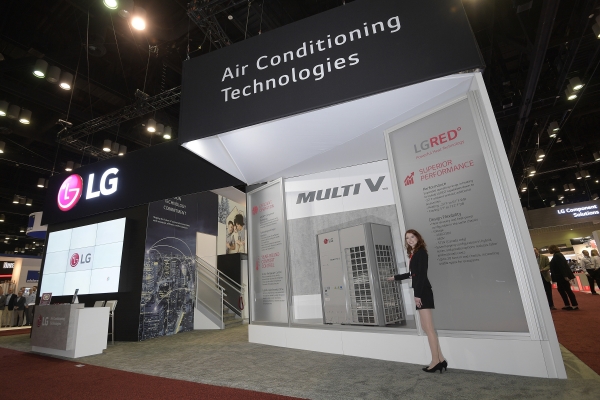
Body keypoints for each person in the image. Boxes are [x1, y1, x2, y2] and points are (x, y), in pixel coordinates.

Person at [387, 229, 447, 373]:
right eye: (407, 238)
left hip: (423, 292)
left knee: (429, 328)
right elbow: (412, 274)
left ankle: (435, 361)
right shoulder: (414, 254)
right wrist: (395, 277)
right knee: (426, 327)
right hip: (421, 291)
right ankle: (441, 359)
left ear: (418, 238)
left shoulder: (421, 253)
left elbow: (421, 275)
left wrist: (418, 295)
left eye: (412, 237)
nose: (410, 240)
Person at [548, 245, 579, 310]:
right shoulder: (558, 255)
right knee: (562, 290)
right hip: (560, 276)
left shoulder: (557, 256)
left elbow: (562, 266)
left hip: (561, 276)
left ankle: (574, 304)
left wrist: (565, 276)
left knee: (567, 290)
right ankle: (568, 304)